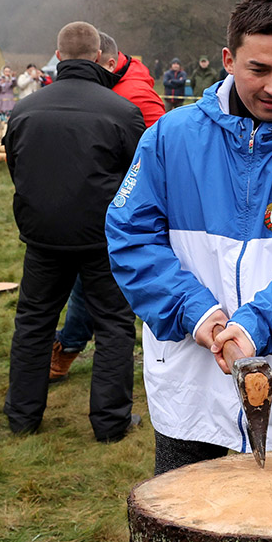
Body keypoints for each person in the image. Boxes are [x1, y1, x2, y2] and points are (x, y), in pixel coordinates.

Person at [106, 0, 272, 475]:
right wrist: (198, 314)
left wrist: (251, 328)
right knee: (184, 524)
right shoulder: (168, 139)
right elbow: (131, 237)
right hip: (190, 372)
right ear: (228, 60)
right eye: (257, 69)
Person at [2, 21, 144, 442]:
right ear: (100, 56)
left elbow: (16, 167)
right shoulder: (121, 112)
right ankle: (110, 422)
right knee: (114, 325)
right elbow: (139, 176)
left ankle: (22, 415)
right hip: (103, 237)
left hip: (43, 235)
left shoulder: (23, 110)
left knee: (34, 321)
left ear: (57, 57)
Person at [48, 31, 166, 383]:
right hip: (103, 205)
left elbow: (160, 153)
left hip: (127, 209)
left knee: (100, 287)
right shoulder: (118, 87)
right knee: (92, 283)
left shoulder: (134, 95)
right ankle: (71, 346)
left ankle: (69, 349)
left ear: (106, 62)